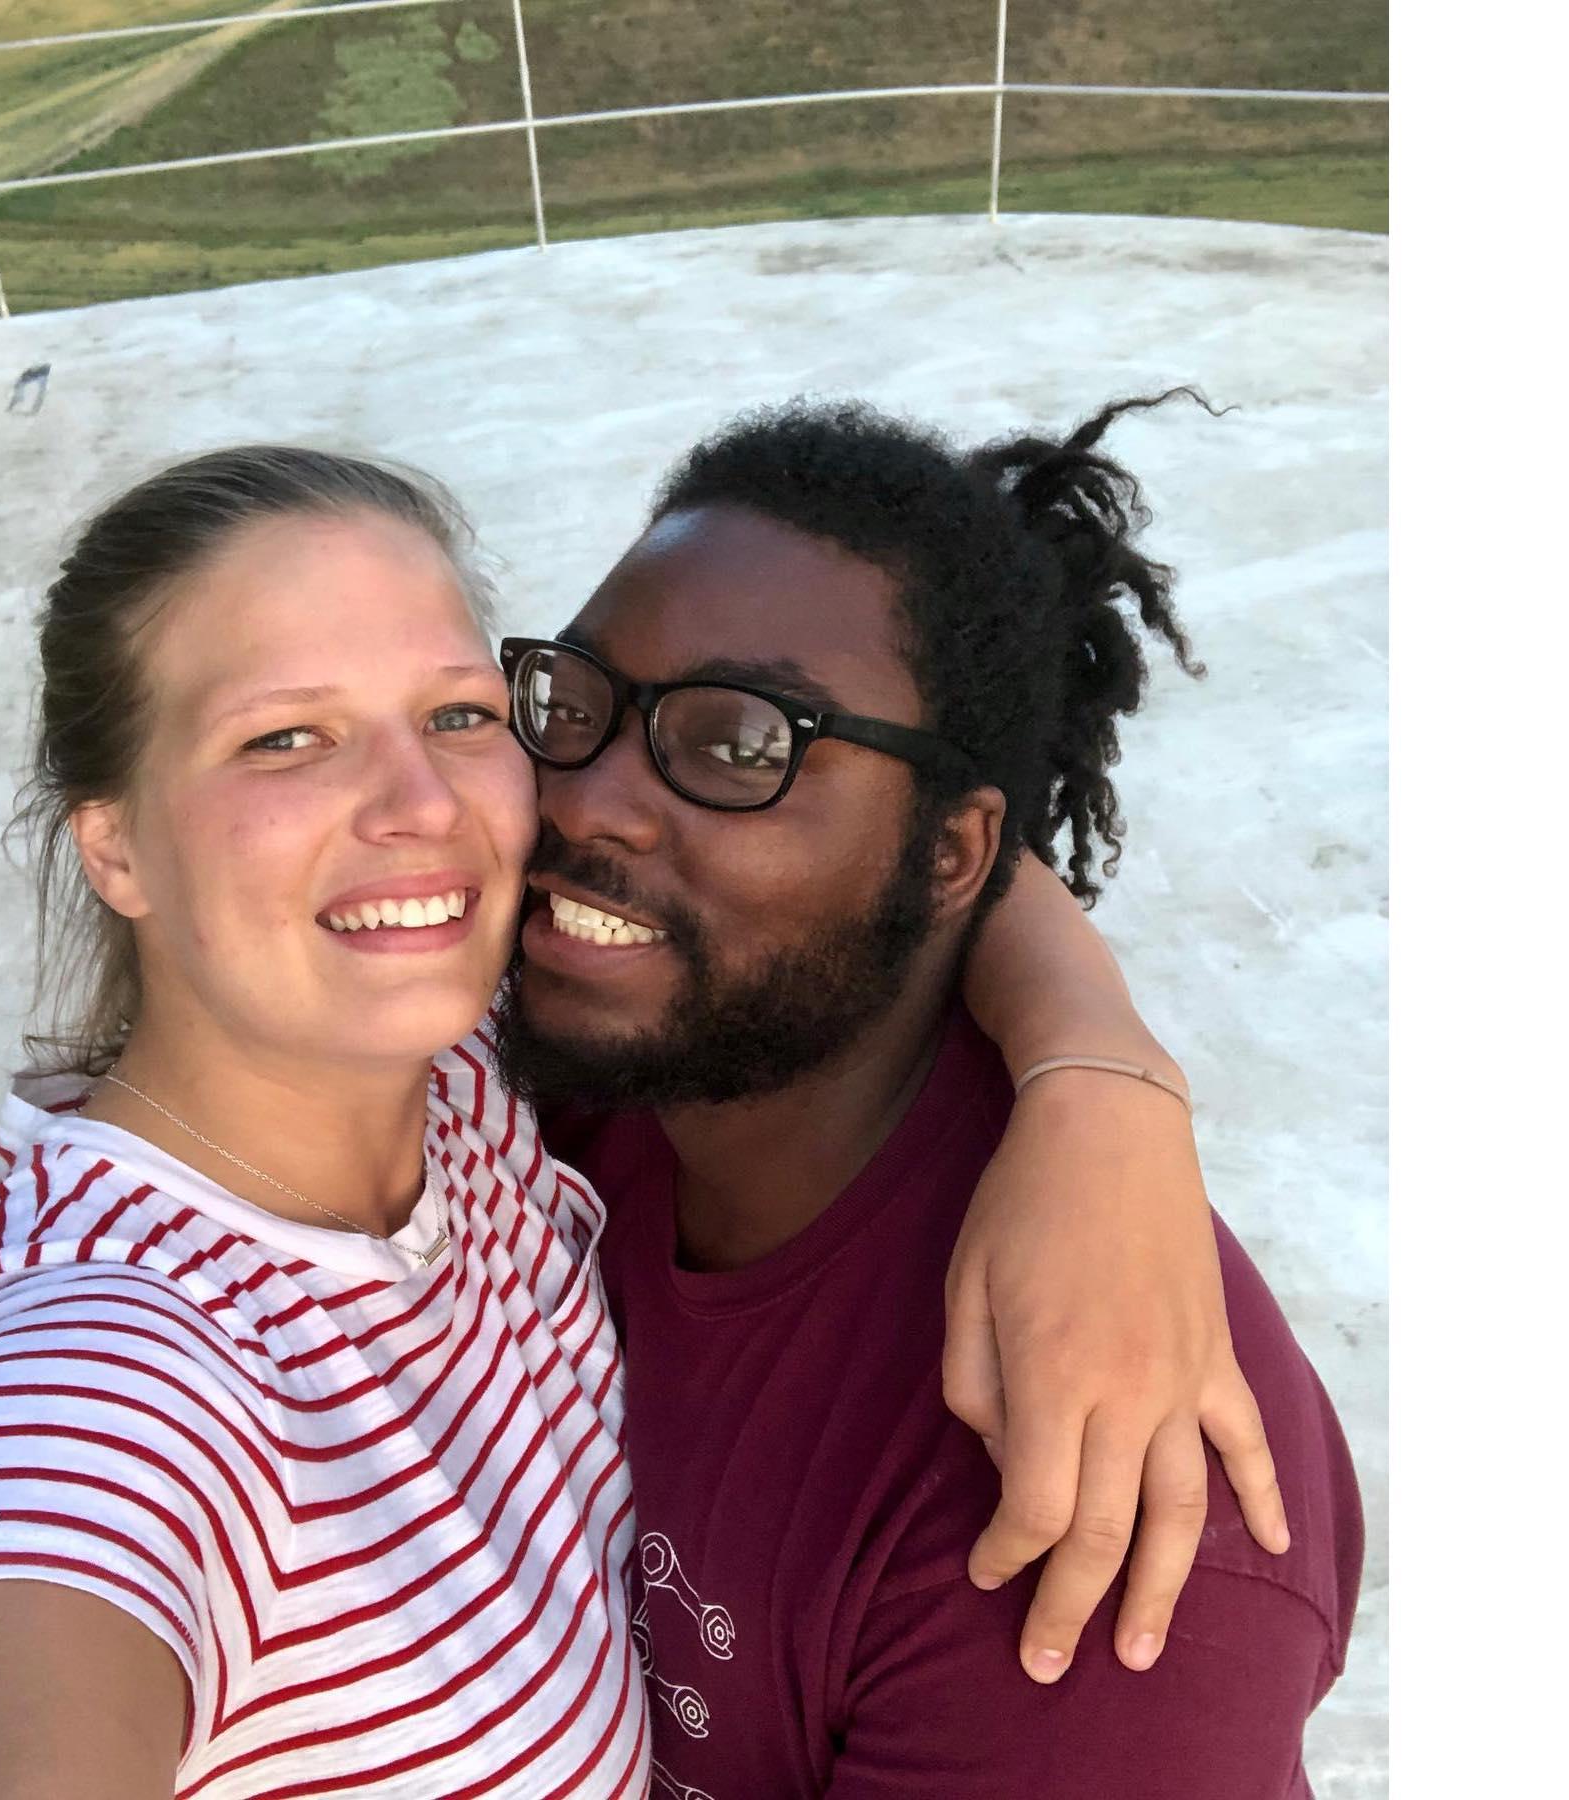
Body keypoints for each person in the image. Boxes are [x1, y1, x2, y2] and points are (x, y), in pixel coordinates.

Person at [0, 434, 1283, 1800]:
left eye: (465, 716)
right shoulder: (91, 1392)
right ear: (112, 843)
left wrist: (1100, 1077)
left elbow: (945, 852)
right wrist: (1107, 1079)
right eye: (285, 738)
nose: (448, 808)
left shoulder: (483, 1089)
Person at [496, 396, 1364, 1797]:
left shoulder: (1106, 1540)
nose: (584, 800)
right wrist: (1100, 1055)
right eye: (575, 701)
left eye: (739, 746)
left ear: (957, 853)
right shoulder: (594, 1074)